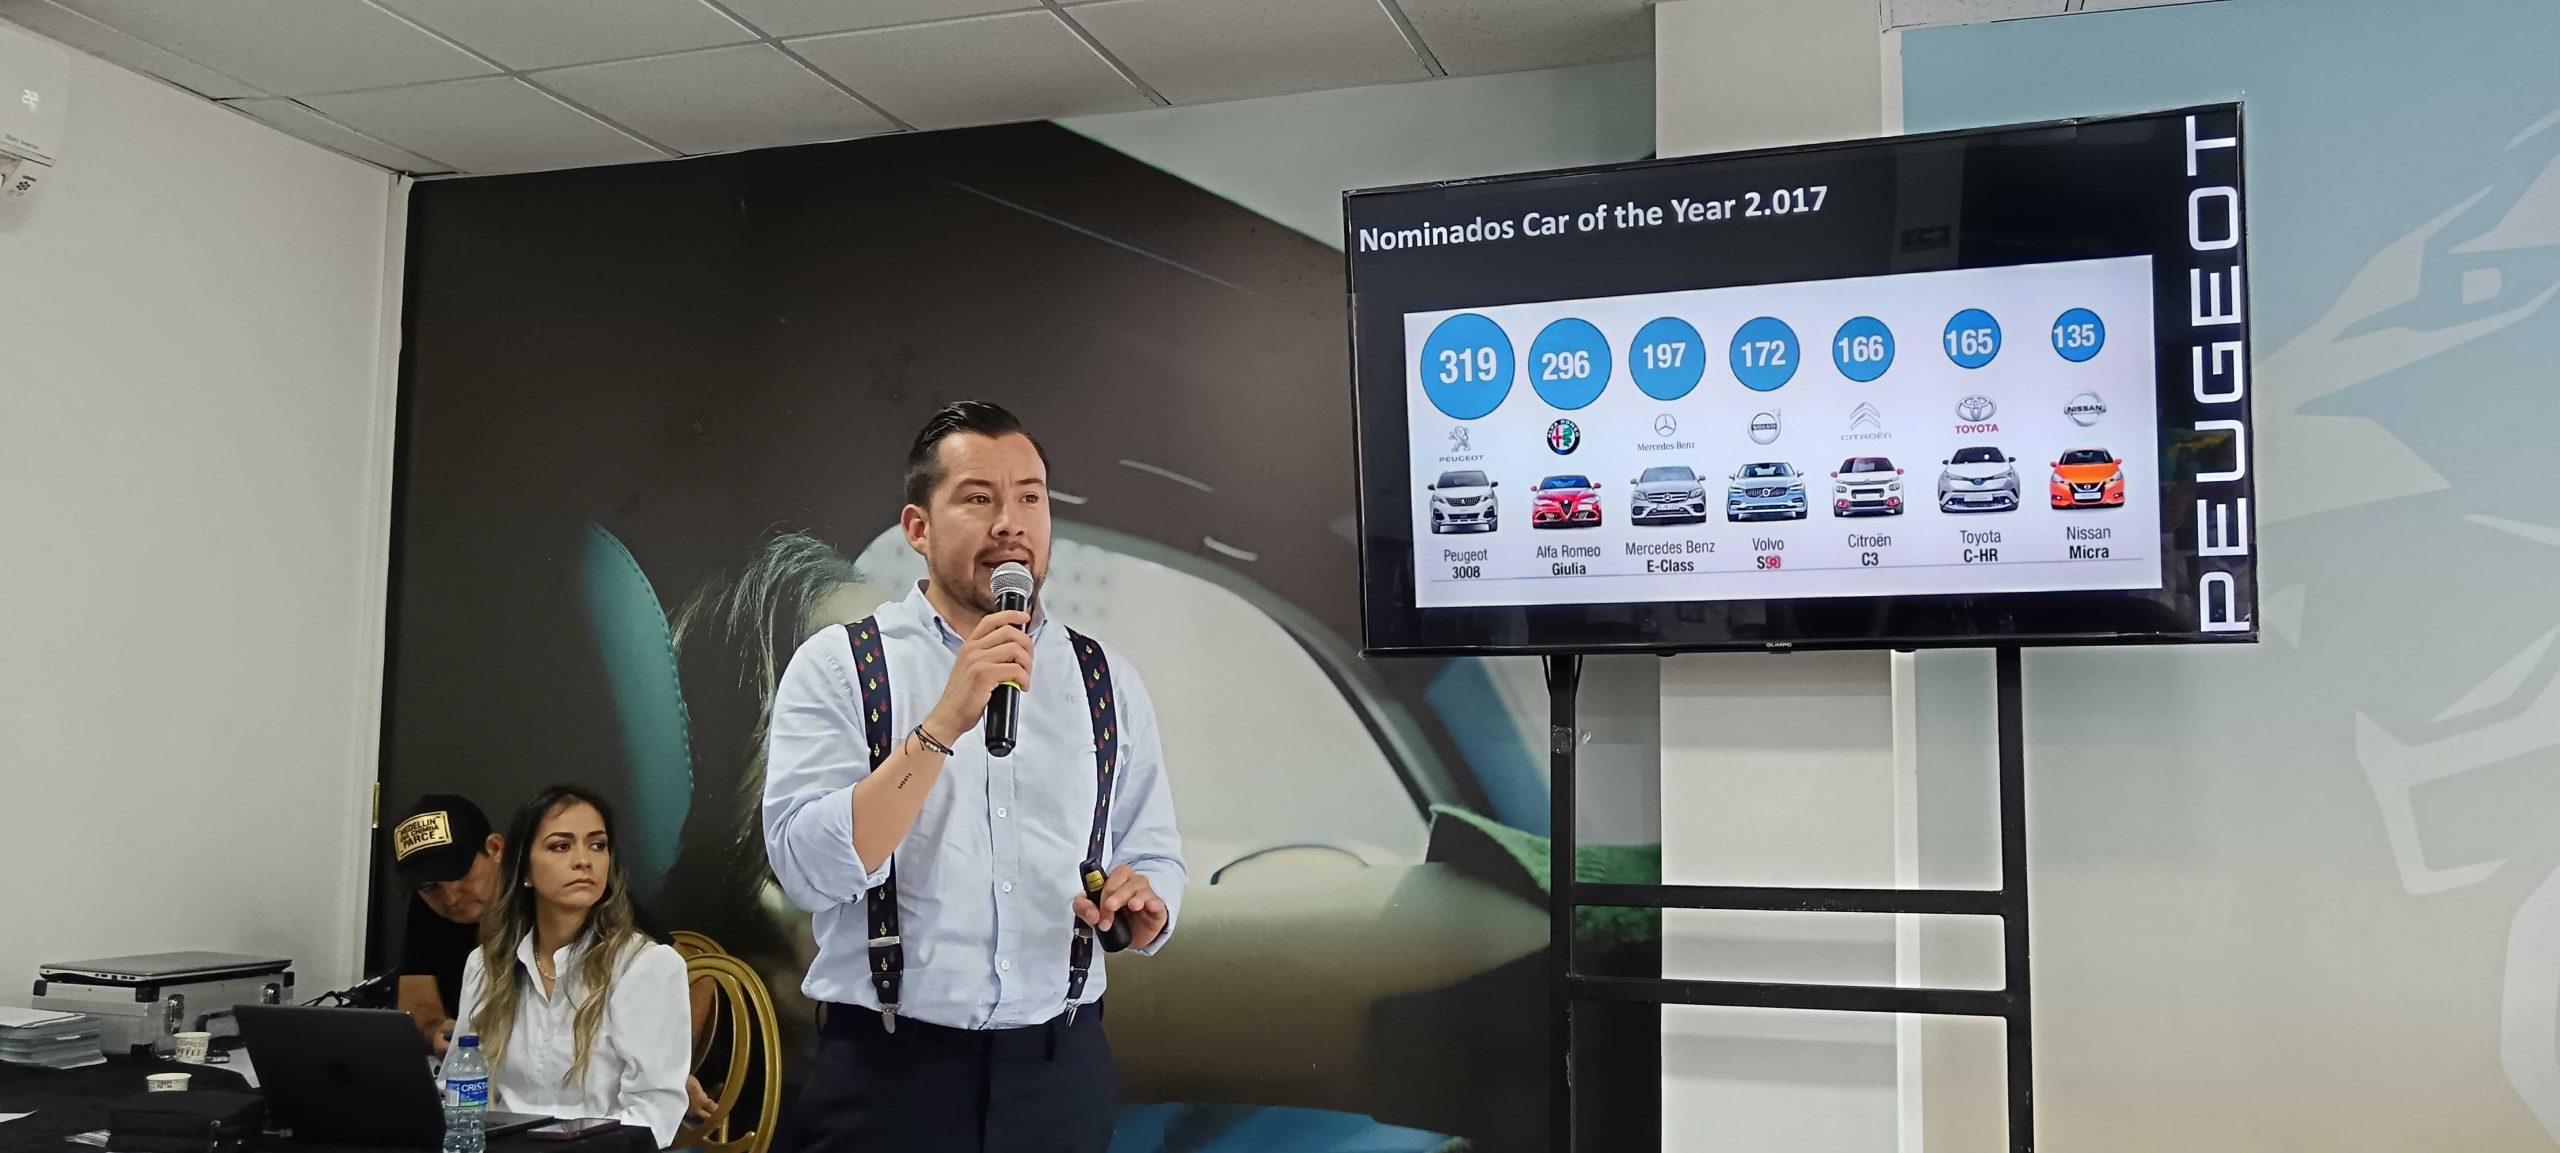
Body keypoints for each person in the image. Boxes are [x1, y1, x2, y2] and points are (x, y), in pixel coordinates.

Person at [763, 400, 1186, 1153]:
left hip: (1059, 1074)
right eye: (978, 498)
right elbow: (806, 870)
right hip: (888, 1079)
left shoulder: (1104, 679)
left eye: (1030, 497)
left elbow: (1152, 850)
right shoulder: (841, 666)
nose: (1010, 523)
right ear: (918, 528)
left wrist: (1145, 899)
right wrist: (943, 724)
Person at [453, 785, 693, 1148]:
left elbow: (653, 1114)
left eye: (597, 845)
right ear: (525, 869)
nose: (584, 860)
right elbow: (458, 1090)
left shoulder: (646, 966)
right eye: (561, 846)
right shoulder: (485, 965)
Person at [389, 794, 503, 1056]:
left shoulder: (545, 901)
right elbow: (417, 1007)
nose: (451, 898)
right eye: (429, 887)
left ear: (495, 849)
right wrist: (436, 1031)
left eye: (460, 874)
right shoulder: (427, 909)